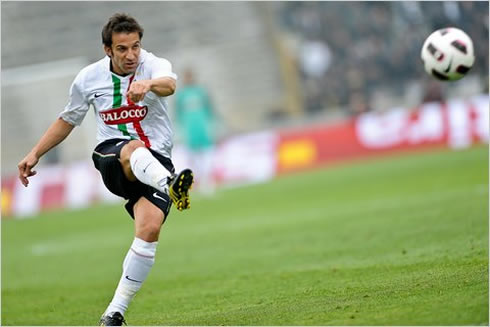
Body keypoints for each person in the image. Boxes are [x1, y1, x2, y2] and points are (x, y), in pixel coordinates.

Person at [17, 13, 193, 326]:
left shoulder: (152, 65)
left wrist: (148, 83)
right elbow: (68, 119)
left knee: (149, 230)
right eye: (122, 49)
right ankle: (170, 184)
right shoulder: (88, 78)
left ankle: (114, 313)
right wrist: (35, 153)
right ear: (107, 50)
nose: (131, 55)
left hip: (157, 161)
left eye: (135, 47)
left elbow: (169, 85)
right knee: (133, 148)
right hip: (112, 156)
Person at [175, 68, 217, 195]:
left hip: (203, 129)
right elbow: (178, 114)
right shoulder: (181, 95)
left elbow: (210, 109)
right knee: (195, 158)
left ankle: (208, 180)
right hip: (190, 131)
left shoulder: (201, 91)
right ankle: (202, 181)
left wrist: (212, 125)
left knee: (208, 155)